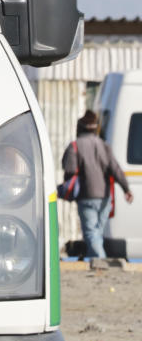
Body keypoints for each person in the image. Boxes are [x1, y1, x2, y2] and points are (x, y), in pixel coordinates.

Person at [62, 110, 134, 260]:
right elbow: (116, 169)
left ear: (79, 128)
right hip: (105, 198)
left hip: (86, 196)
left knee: (91, 233)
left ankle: (101, 261)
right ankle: (94, 260)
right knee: (97, 233)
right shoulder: (104, 146)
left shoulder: (75, 146)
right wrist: (126, 189)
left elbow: (69, 171)